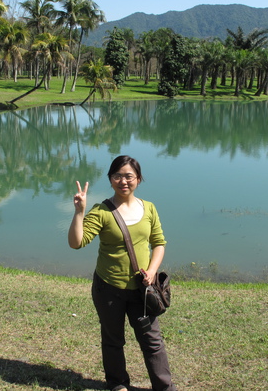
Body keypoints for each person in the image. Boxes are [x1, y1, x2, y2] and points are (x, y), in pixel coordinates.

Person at [68, 155, 177, 391]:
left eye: (129, 176)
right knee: (113, 340)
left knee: (152, 342)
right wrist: (79, 212)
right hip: (108, 289)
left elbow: (159, 243)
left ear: (138, 179)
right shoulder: (101, 211)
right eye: (117, 176)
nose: (123, 181)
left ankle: (164, 387)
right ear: (110, 179)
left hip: (141, 289)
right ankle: (117, 384)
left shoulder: (149, 208)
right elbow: (76, 243)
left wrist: (152, 270)